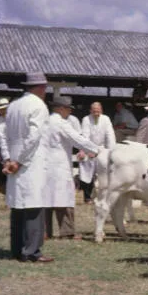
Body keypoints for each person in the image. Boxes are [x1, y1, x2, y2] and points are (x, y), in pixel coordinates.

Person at [0, 71, 53, 263]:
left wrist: (8, 159)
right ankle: (31, 251)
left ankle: (16, 249)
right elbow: (34, 137)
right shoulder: (39, 106)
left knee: (17, 207)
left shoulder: (13, 106)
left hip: (14, 159)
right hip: (30, 161)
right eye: (45, 87)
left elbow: (3, 134)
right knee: (33, 206)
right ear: (40, 87)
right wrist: (20, 161)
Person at [42, 96, 100, 240]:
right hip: (59, 164)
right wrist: (97, 149)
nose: (69, 112)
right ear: (61, 108)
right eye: (68, 109)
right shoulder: (61, 123)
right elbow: (77, 139)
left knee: (45, 199)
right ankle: (67, 231)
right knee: (64, 198)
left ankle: (44, 231)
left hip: (44, 164)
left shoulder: (45, 121)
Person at [79, 102, 116, 204]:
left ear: (101, 111)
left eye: (98, 111)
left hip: (102, 149)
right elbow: (85, 136)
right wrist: (89, 150)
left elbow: (110, 135)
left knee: (105, 172)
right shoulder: (86, 119)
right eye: (94, 111)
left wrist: (112, 151)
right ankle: (87, 197)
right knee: (87, 171)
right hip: (89, 148)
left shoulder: (106, 119)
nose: (96, 113)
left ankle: (103, 196)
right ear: (90, 111)